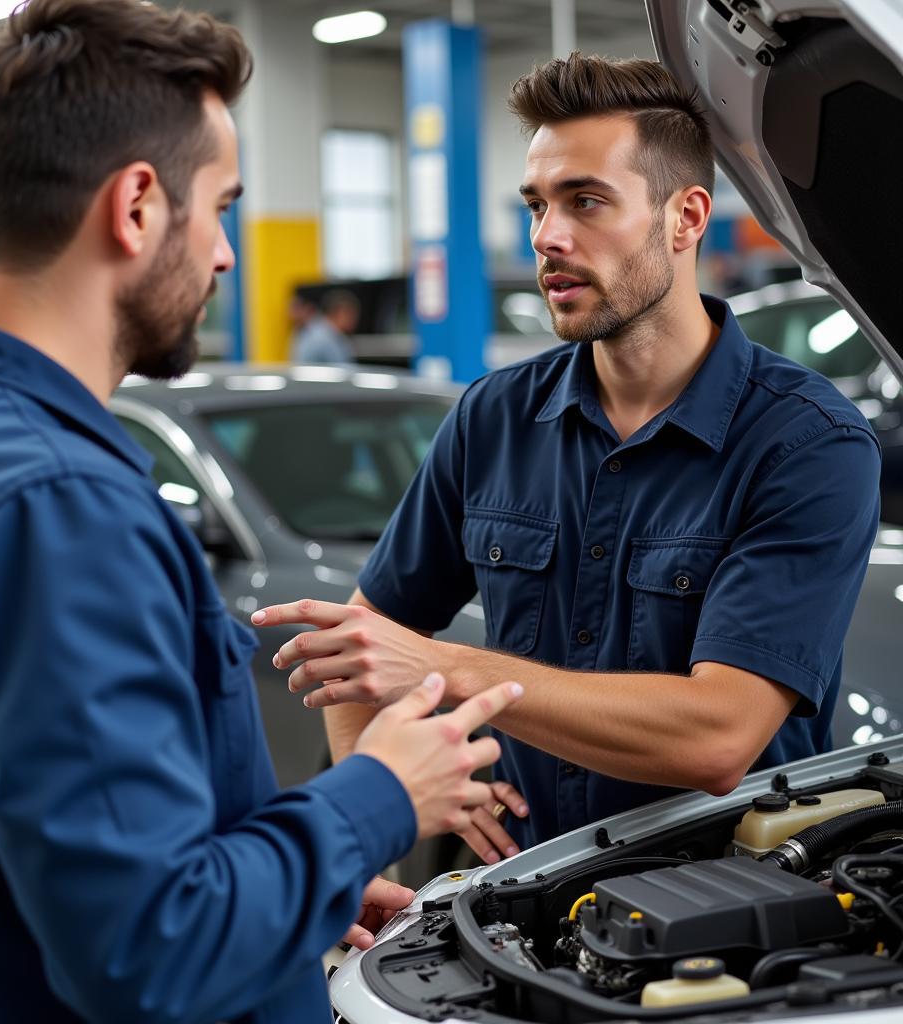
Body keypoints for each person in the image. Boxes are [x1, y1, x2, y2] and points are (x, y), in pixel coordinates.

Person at [0, 3, 524, 1022]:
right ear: (136, 205)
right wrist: (375, 795)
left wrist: (297, 886)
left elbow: (35, 854)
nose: (226, 254)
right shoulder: (56, 511)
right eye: (220, 205)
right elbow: (152, 951)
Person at [252, 54, 881, 869]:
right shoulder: (493, 419)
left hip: (733, 912)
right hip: (521, 897)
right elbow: (364, 645)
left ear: (686, 218)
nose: (548, 236)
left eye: (585, 201)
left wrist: (448, 668)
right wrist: (388, 805)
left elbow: (720, 735)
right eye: (537, 205)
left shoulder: (806, 443)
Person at [291, 287, 359, 363]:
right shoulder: (324, 338)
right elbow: (343, 370)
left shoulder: (317, 332)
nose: (355, 319)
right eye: (351, 314)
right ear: (341, 313)